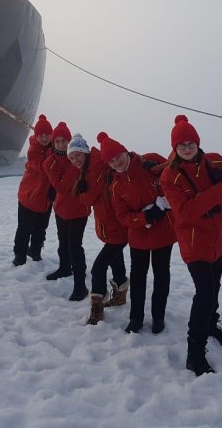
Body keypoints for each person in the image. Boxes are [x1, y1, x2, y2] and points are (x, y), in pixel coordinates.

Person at [160, 115, 222, 376]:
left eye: (191, 143)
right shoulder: (170, 176)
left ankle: (210, 325)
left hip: (218, 237)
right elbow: (186, 213)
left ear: (198, 143)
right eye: (181, 145)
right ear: (174, 148)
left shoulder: (215, 160)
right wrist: (221, 188)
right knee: (205, 292)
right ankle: (194, 354)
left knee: (215, 286)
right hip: (194, 242)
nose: (187, 148)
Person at [98, 131, 177, 334]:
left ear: (125, 151)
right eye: (111, 161)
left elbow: (175, 170)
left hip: (163, 233)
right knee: (139, 277)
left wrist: (164, 201)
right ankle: (136, 318)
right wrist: (147, 216)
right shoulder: (116, 186)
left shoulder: (150, 161)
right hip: (139, 236)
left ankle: (158, 316)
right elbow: (123, 217)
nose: (117, 162)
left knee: (161, 275)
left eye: (118, 156)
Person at [69, 134, 130, 325]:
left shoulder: (98, 167)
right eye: (71, 158)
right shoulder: (88, 170)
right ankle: (120, 293)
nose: (75, 160)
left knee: (98, 268)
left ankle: (97, 307)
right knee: (115, 258)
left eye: (78, 155)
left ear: (86, 152)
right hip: (109, 225)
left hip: (117, 225)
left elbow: (88, 199)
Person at [43, 122, 91, 301]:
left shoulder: (81, 158)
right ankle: (64, 268)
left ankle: (81, 286)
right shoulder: (50, 163)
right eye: (58, 141)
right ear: (53, 143)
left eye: (65, 141)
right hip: (61, 208)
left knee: (74, 246)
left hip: (79, 209)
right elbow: (61, 188)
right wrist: (76, 164)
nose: (61, 145)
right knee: (63, 242)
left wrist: (76, 160)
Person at [12, 114, 55, 266]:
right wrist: (54, 152)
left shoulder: (53, 148)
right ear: (36, 136)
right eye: (40, 135)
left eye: (47, 135)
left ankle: (35, 251)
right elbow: (43, 166)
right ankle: (19, 256)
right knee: (24, 229)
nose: (44, 138)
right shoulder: (34, 150)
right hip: (29, 197)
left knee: (41, 228)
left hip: (45, 198)